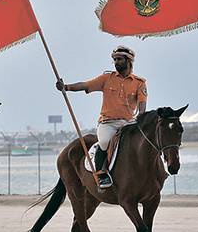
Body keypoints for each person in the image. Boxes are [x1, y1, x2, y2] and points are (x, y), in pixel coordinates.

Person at [55, 45, 147, 188]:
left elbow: (142, 106)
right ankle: (101, 174)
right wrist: (66, 87)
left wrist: (140, 120)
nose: (116, 62)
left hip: (128, 123)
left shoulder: (140, 83)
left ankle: (153, 172)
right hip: (108, 123)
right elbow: (85, 85)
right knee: (104, 142)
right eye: (115, 59)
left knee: (144, 143)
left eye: (119, 59)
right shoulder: (106, 78)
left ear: (128, 61)